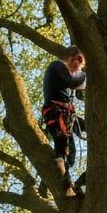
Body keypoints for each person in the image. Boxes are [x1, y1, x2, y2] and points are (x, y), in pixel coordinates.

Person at [41, 45, 86, 196]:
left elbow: (76, 87)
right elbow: (72, 81)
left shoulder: (66, 76)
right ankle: (60, 181)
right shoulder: (57, 66)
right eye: (78, 60)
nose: (79, 65)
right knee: (63, 151)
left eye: (82, 63)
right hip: (56, 113)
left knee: (70, 153)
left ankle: (58, 182)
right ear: (70, 57)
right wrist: (85, 74)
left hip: (65, 115)